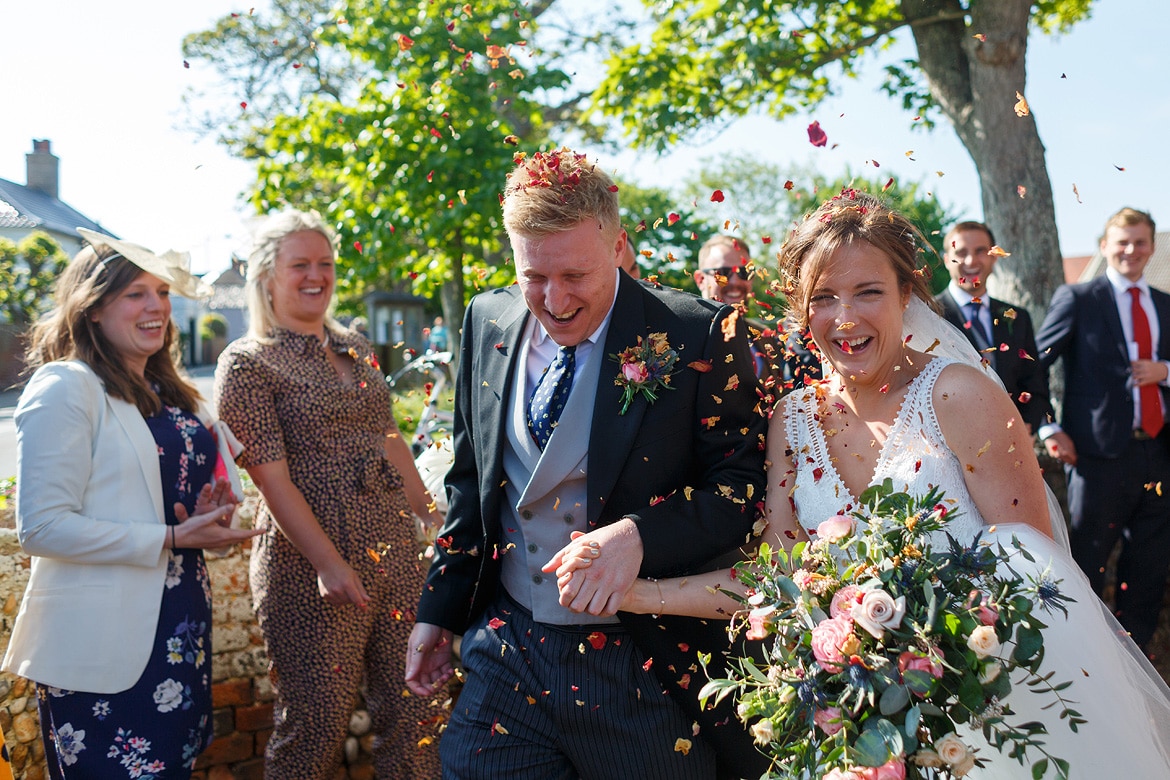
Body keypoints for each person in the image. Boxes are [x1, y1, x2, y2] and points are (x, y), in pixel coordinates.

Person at [556, 192, 1170, 777]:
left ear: (908, 293)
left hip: (997, 715)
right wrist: (633, 592)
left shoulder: (960, 395)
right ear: (801, 309)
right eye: (823, 297)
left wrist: (935, 658)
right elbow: (773, 584)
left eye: (868, 291)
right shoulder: (792, 421)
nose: (844, 318)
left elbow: (1040, 575)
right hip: (861, 727)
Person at [404, 148, 769, 779]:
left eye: (576, 276)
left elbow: (739, 489)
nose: (554, 299)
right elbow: (472, 479)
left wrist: (638, 536)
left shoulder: (699, 334)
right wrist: (440, 609)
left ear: (619, 245)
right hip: (508, 646)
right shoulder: (485, 318)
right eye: (533, 277)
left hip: (640, 661)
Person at [2, 229, 260, 777]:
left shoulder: (174, 394)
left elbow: (164, 502)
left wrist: (206, 512)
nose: (157, 307)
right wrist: (169, 537)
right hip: (100, 648)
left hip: (180, 627)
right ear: (92, 308)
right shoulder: (66, 386)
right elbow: (42, 528)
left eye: (162, 292)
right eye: (135, 293)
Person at [214, 210, 446, 779]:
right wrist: (328, 564)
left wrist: (430, 515)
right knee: (313, 728)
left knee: (418, 715)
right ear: (268, 276)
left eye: (325, 263)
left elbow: (388, 435)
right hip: (310, 567)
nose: (316, 275)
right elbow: (271, 479)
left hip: (394, 549)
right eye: (300, 265)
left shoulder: (355, 345)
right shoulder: (247, 362)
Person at [1036, 207, 1170, 651]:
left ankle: (1141, 667)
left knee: (1149, 570)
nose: (1132, 250)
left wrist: (1163, 370)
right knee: (1087, 566)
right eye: (1122, 241)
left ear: (1152, 246)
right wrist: (1048, 427)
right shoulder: (1078, 298)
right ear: (1104, 246)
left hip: (1157, 452)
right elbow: (1035, 364)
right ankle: (1087, 661)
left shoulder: (1165, 304)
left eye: (1141, 241)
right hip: (1096, 459)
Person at [935, 220, 1050, 432]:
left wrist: (1027, 426)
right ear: (946, 260)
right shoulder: (930, 315)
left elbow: (1034, 381)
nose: (971, 260)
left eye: (980, 251)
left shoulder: (1016, 317)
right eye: (960, 252)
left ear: (994, 257)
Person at [694, 234, 820, 396]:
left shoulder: (765, 338)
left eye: (743, 272)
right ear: (700, 279)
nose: (735, 282)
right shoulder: (683, 337)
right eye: (723, 273)